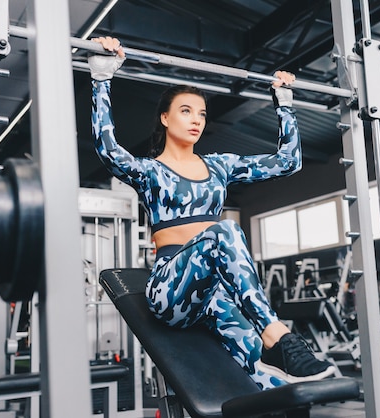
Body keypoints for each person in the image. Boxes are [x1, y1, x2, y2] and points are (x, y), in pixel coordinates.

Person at [89, 36, 335, 389]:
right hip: (170, 291)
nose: (196, 120)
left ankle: (279, 357)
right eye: (186, 111)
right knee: (226, 232)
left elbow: (288, 162)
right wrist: (101, 78)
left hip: (216, 295)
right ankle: (279, 337)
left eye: (202, 113)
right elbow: (108, 149)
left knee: (275, 380)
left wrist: (284, 103)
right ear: (165, 118)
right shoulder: (149, 171)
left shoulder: (219, 166)